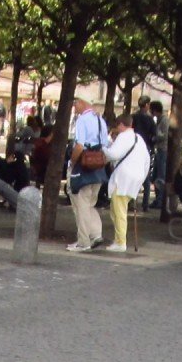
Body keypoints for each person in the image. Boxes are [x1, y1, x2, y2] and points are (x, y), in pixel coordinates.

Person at [64, 97, 108, 252]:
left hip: (83, 167)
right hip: (98, 167)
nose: (74, 107)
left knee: (80, 204)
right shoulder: (100, 120)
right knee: (90, 204)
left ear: (82, 102)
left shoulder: (82, 120)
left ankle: (83, 242)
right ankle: (96, 233)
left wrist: (72, 162)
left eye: (75, 103)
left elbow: (80, 146)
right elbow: (105, 145)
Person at [102, 114, 149, 253]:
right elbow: (147, 161)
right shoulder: (139, 138)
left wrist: (104, 148)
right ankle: (119, 238)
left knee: (119, 210)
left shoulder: (123, 137)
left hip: (123, 179)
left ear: (121, 125)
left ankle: (120, 241)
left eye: (117, 126)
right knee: (117, 209)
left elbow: (113, 154)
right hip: (136, 178)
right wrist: (141, 178)